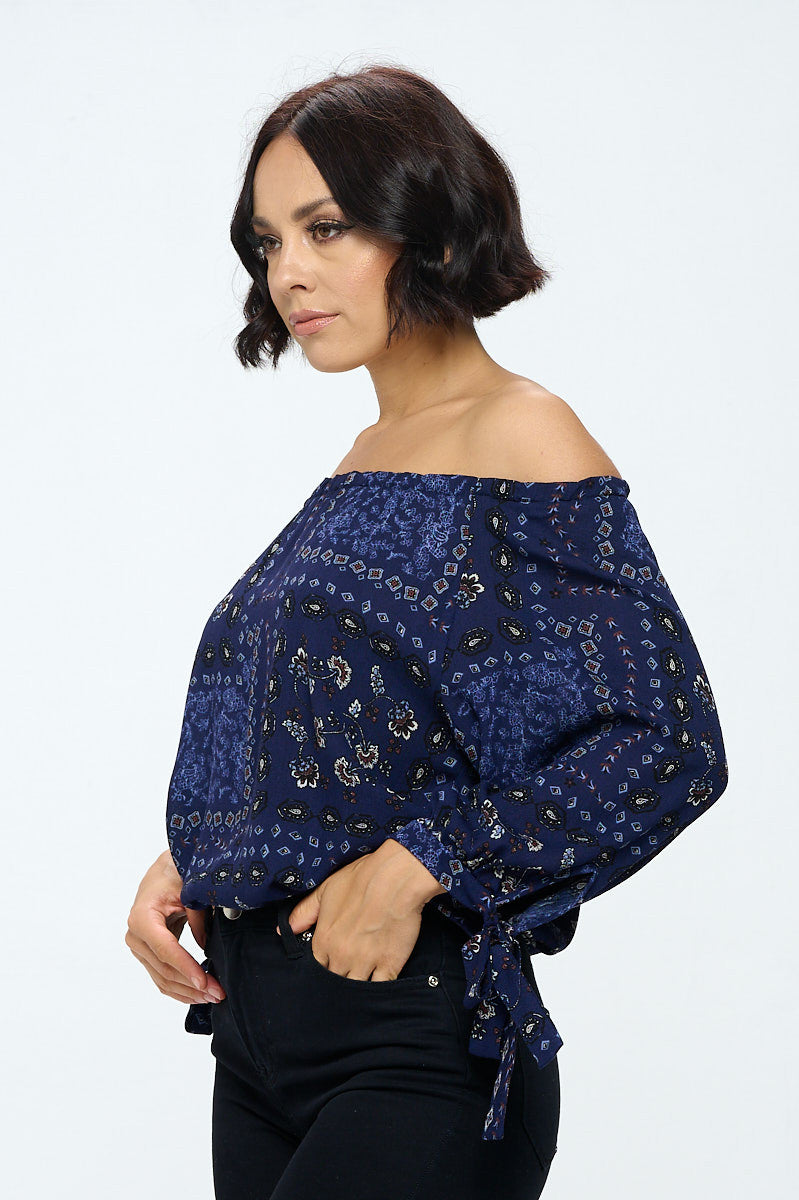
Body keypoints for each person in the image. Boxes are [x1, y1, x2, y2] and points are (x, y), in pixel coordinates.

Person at [125, 64, 729, 1199]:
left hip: (412, 1045)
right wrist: (205, 859)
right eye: (268, 241)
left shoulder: (523, 433)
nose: (288, 271)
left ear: (431, 225)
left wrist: (419, 869)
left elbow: (664, 743)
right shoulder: (360, 465)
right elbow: (378, 723)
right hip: (255, 1048)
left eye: (327, 228)